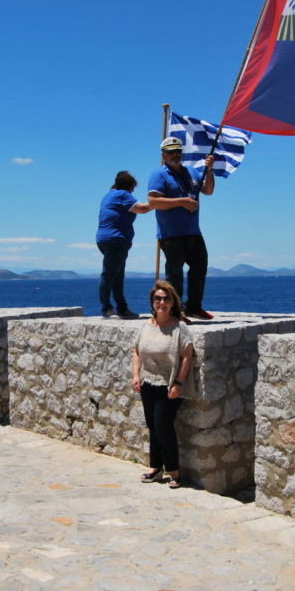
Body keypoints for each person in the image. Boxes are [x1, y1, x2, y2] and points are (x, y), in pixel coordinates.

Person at [130, 279, 194, 489]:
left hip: (169, 384)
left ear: (172, 302)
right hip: (148, 382)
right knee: (152, 426)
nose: (161, 303)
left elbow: (187, 356)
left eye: (166, 298)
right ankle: (155, 467)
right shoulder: (146, 326)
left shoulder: (179, 327)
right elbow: (137, 351)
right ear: (152, 302)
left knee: (162, 425)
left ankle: (174, 471)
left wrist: (178, 383)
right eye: (157, 299)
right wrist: (135, 375)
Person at [147, 137, 216, 320]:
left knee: (200, 268)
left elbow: (208, 191)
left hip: (193, 232)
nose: (175, 155)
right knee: (175, 274)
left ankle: (193, 307)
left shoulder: (191, 172)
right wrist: (182, 202)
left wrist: (209, 171)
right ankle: (175, 313)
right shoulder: (159, 175)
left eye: (178, 151)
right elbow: (153, 202)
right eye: (171, 152)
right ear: (163, 155)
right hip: (170, 234)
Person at [96, 171, 151, 319]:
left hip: (104, 240)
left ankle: (120, 309)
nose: (132, 192)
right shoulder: (122, 194)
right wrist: (157, 202)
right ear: (128, 186)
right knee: (109, 275)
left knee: (116, 275)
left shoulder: (109, 195)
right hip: (116, 240)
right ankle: (108, 308)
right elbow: (142, 209)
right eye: (132, 188)